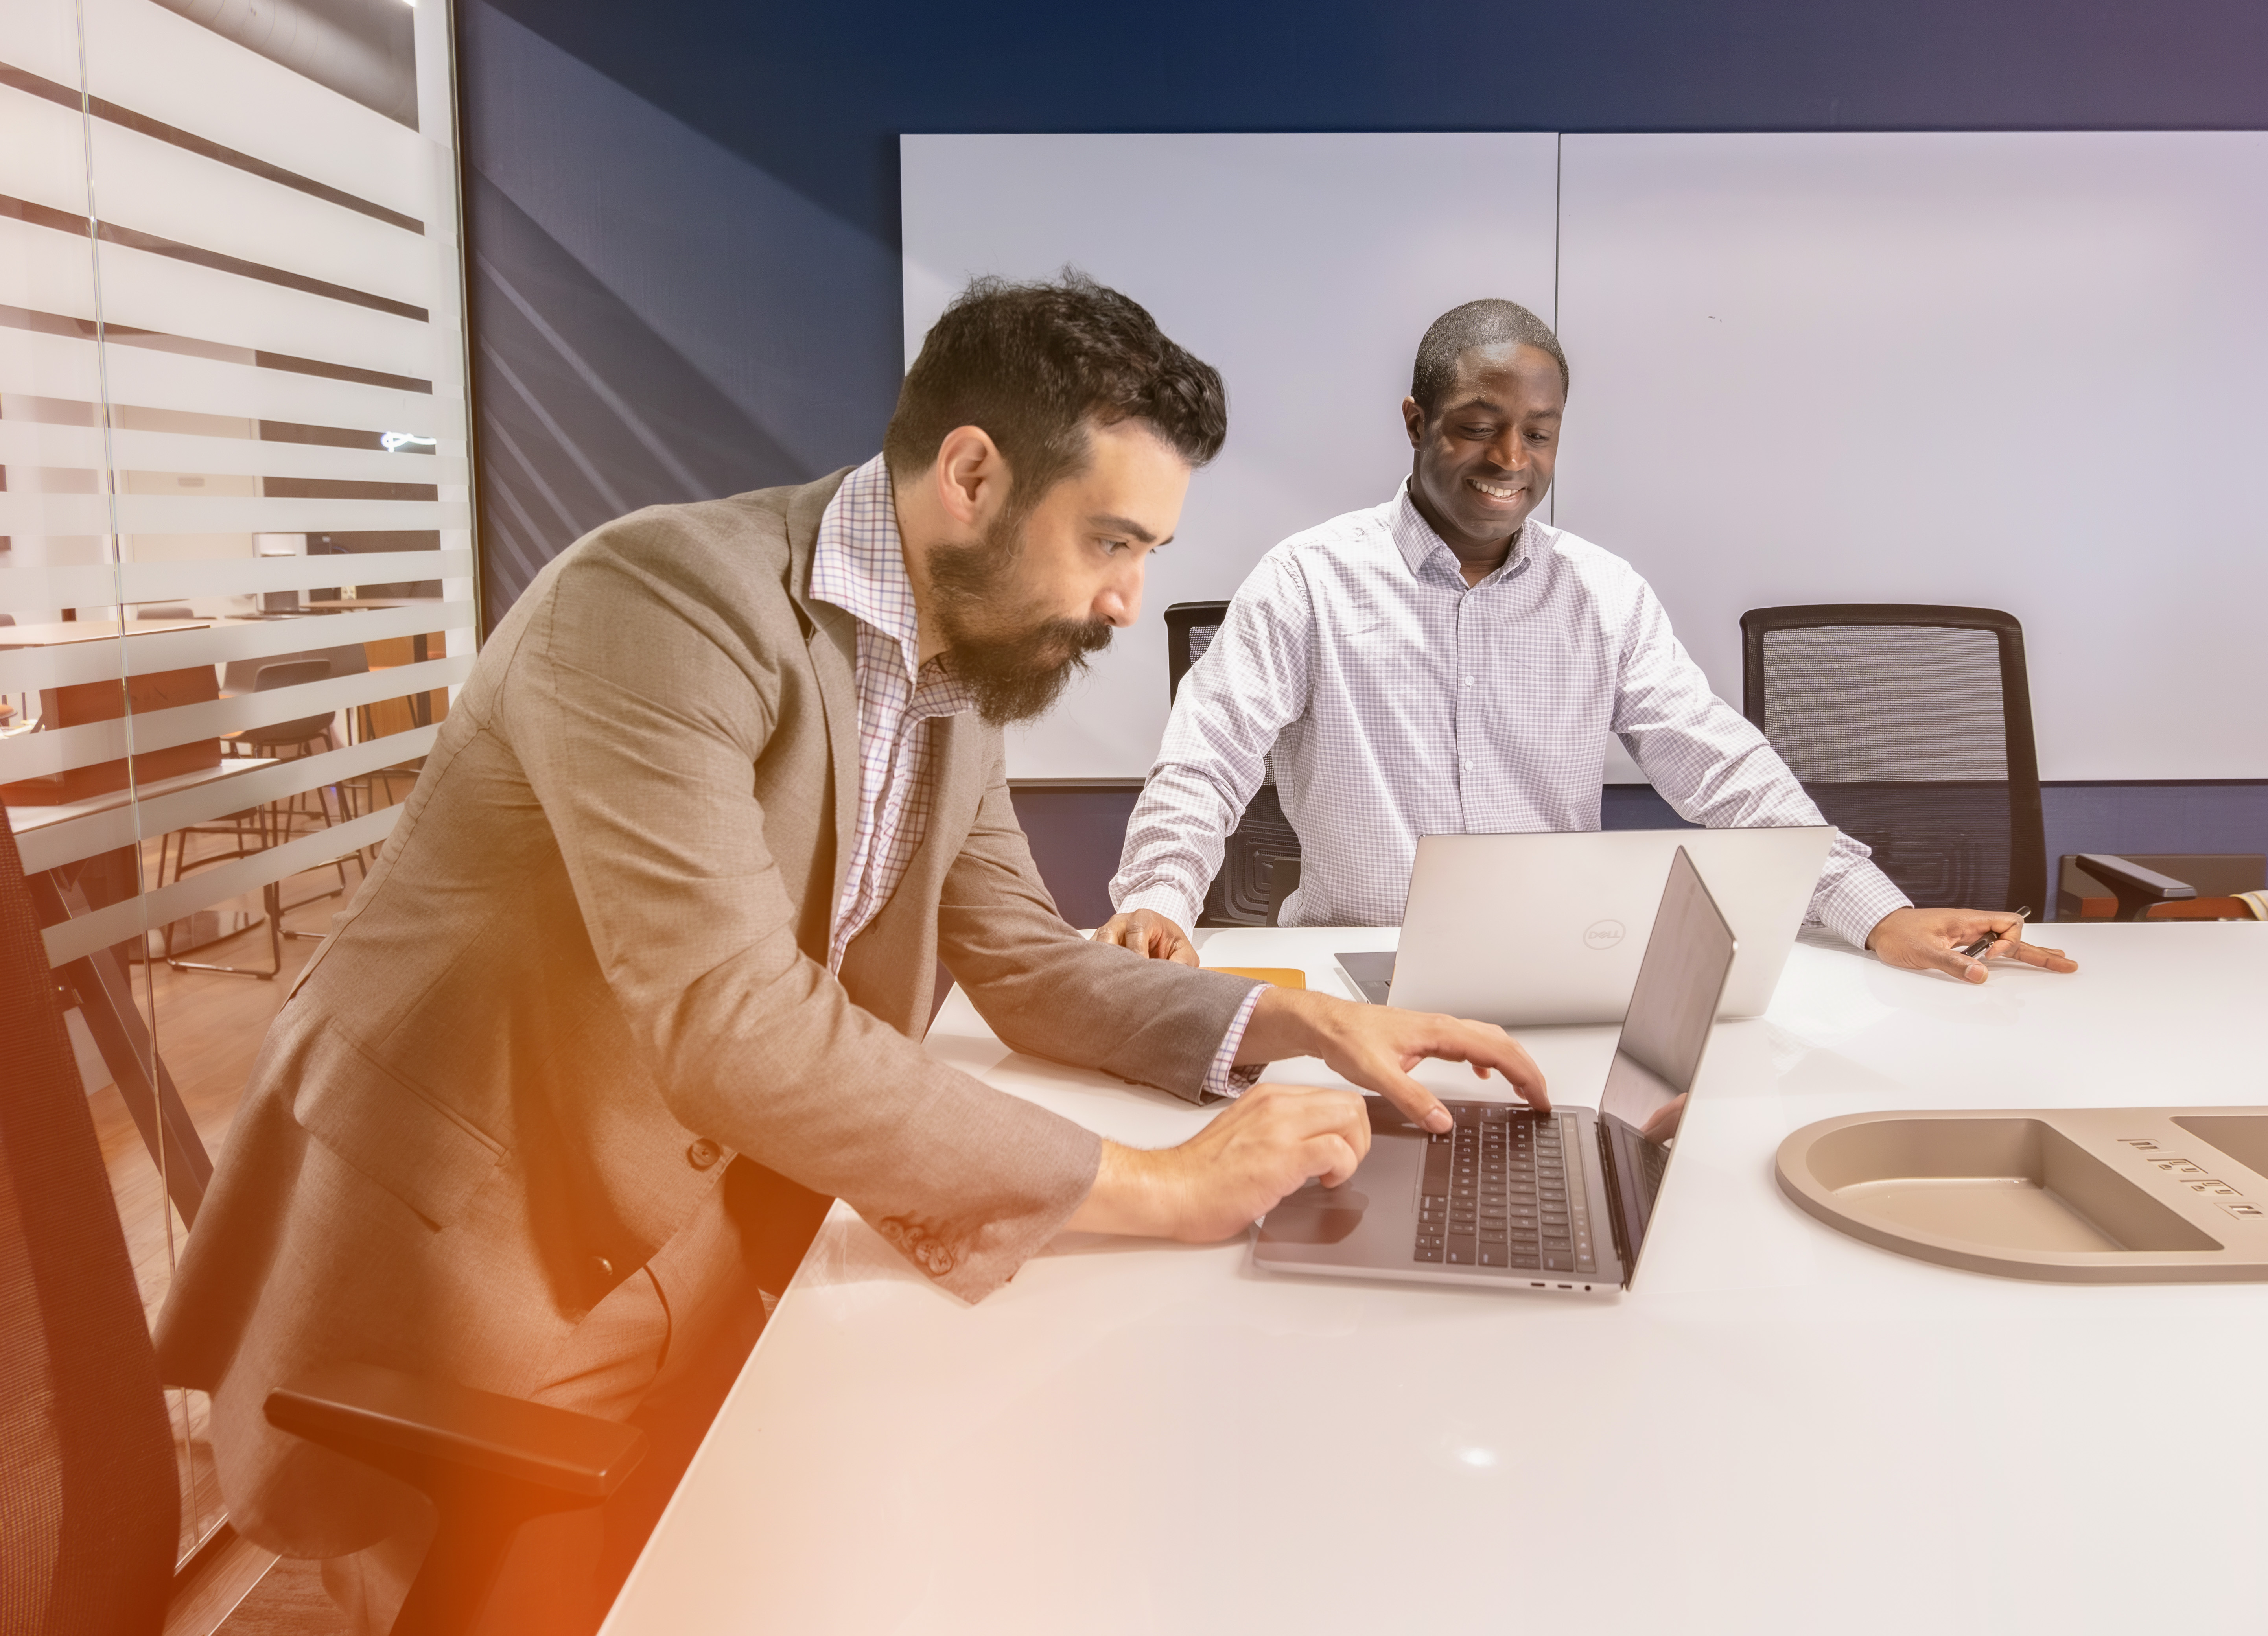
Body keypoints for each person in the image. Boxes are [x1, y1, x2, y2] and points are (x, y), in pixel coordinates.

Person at [155, 274, 1543, 1634]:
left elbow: (1021, 957)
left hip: (684, 1230)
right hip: (475, 1260)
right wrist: (1161, 1188)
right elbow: (735, 1025)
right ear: (973, 475)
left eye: (1147, 559)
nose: (1129, 605)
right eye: (1112, 542)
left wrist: (1294, 1027)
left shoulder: (958, 666)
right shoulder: (658, 606)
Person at [1098, 297, 2076, 986]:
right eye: (1478, 427)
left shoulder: (1601, 595)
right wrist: (1157, 901)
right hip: (1361, 969)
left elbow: (1725, 770)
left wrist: (1876, 910)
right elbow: (1205, 763)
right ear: (1415, 421)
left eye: (1539, 432)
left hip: (1557, 977)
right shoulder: (1308, 580)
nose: (1510, 462)